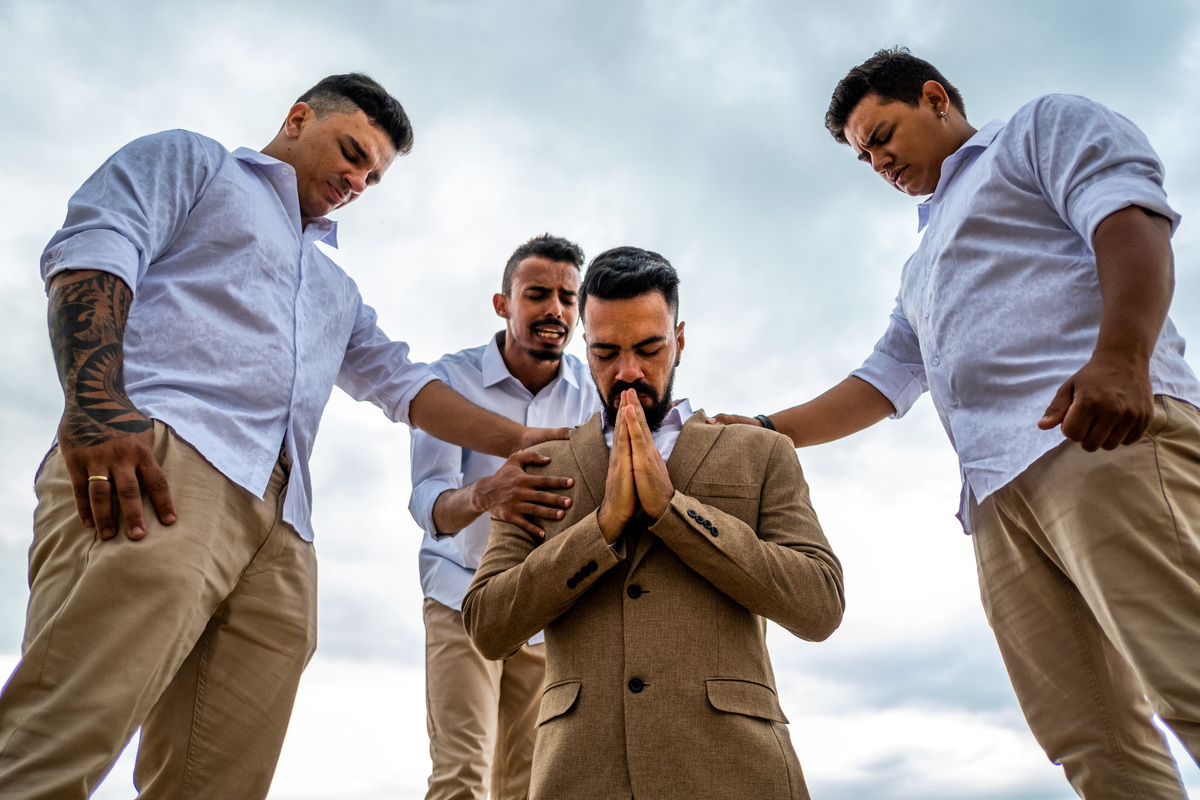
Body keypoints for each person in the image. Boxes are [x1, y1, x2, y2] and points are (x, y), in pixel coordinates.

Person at [0, 73, 567, 800]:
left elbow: (406, 387)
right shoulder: (196, 165)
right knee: (64, 731)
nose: (357, 181)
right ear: (298, 119)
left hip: (284, 526)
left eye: (373, 175)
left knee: (223, 780)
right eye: (351, 152)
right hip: (165, 463)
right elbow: (96, 250)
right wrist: (97, 405)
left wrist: (527, 439)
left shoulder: (338, 290)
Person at [715, 47, 1200, 797]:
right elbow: (882, 380)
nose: (876, 161)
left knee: (1188, 674)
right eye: (861, 155)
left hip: (1098, 438)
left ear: (935, 98)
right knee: (1090, 738)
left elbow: (1127, 214)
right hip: (1000, 504)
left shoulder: (1038, 130)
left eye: (882, 136)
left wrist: (1121, 357)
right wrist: (759, 429)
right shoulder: (921, 265)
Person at [462, 247, 845, 800]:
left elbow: (820, 605)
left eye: (649, 348)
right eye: (605, 353)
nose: (628, 373)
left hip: (736, 774)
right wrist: (601, 528)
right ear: (583, 349)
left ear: (680, 340)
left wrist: (675, 512)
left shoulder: (761, 454)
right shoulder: (544, 467)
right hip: (581, 776)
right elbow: (487, 625)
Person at [408, 233, 601, 800]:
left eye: (568, 299)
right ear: (503, 304)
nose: (555, 311)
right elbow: (428, 504)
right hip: (459, 597)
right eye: (537, 294)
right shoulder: (448, 382)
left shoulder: (594, 398)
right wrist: (486, 495)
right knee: (462, 777)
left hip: (546, 609)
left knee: (526, 785)